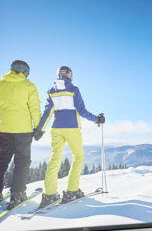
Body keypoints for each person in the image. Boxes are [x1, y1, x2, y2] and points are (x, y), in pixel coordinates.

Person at [34, 66, 106, 208]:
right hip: (72, 128)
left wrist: (40, 129)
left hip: (56, 129)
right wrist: (97, 119)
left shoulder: (52, 91)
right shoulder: (74, 90)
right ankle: (72, 191)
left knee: (55, 159)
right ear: (70, 76)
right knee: (78, 157)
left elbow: (47, 113)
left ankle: (49, 194)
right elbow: (82, 111)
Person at [0, 59, 39, 217]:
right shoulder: (29, 86)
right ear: (24, 71)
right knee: (21, 162)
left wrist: (3, 114)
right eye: (27, 72)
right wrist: (38, 127)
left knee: (1, 161)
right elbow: (35, 108)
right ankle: (17, 194)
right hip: (23, 130)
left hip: (4, 129)